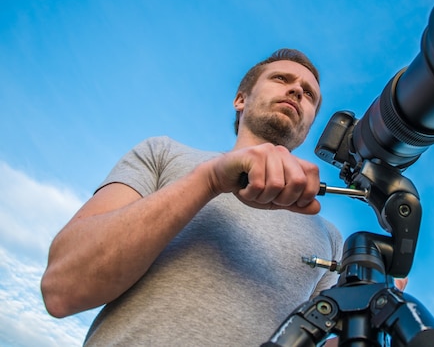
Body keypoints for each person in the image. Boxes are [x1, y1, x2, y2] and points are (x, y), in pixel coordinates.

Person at [41, 48, 344, 346]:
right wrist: (209, 180)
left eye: (309, 94)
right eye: (281, 78)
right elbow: (62, 288)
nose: (297, 91)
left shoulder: (330, 238)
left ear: (306, 131)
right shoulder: (162, 154)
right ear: (241, 100)